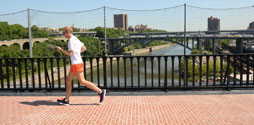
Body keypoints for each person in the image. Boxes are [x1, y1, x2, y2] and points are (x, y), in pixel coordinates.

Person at [56, 26, 106, 106]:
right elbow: (84, 48)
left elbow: (70, 53)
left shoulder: (71, 41)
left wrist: (61, 50)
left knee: (82, 81)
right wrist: (77, 53)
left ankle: (100, 91)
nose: (63, 34)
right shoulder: (76, 39)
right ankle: (66, 100)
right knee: (68, 80)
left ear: (68, 32)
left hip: (76, 64)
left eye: (64, 32)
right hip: (77, 63)